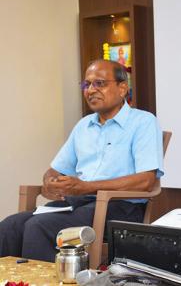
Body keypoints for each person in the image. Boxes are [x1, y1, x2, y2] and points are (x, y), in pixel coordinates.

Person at [0, 59, 163, 262]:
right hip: (77, 204)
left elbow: (146, 181)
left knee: (39, 226)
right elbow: (54, 170)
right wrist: (51, 183)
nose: (90, 90)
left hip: (120, 208)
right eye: (86, 84)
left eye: (99, 83)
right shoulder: (83, 126)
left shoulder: (143, 122)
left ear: (122, 88)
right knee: (10, 226)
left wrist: (86, 187)